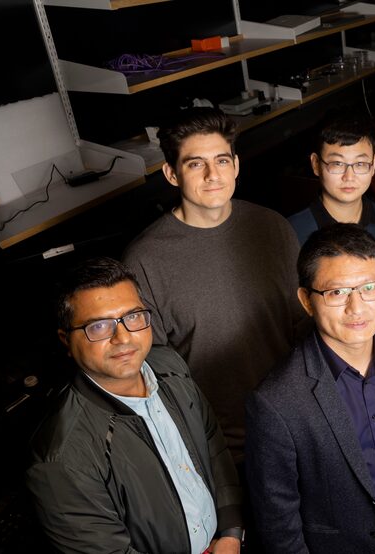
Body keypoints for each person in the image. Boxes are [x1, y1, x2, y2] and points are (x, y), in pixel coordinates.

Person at [245, 224, 375, 554]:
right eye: (337, 292)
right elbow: (278, 518)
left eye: (370, 287)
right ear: (306, 300)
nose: (357, 308)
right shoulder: (275, 401)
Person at [123, 107, 304, 464]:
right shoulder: (144, 261)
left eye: (221, 161)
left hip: (293, 427)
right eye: (195, 164)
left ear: (236, 166)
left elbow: (302, 327)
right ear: (171, 174)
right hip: (216, 449)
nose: (212, 175)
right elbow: (153, 374)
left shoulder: (273, 228)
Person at [26, 257, 243, 554]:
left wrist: (231, 532)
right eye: (99, 326)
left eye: (134, 316)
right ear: (66, 339)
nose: (124, 337)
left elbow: (213, 446)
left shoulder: (170, 365)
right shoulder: (61, 459)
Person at [288, 109, 375, 270]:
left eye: (360, 164)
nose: (349, 176)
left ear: (374, 164)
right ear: (315, 164)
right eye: (337, 164)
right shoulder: (290, 232)